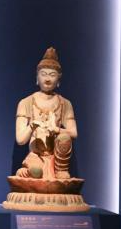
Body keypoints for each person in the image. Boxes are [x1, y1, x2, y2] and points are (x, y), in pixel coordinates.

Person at [14, 47, 77, 180]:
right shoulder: (25, 102)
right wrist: (32, 126)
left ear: (58, 79)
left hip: (57, 159)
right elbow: (20, 140)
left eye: (52, 75)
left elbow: (73, 133)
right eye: (43, 74)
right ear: (37, 77)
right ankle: (27, 171)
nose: (47, 79)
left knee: (64, 137)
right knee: (36, 172)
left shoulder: (65, 104)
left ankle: (59, 170)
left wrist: (57, 129)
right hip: (35, 157)